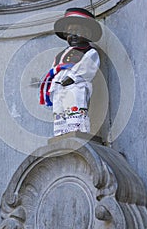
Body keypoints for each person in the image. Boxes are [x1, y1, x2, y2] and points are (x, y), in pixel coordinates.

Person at [40, 7, 102, 136]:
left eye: (77, 31)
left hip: (75, 85)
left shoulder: (89, 52)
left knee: (75, 105)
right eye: (69, 32)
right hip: (59, 87)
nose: (72, 35)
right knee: (60, 108)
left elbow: (87, 68)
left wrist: (72, 78)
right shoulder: (60, 54)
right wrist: (53, 84)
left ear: (88, 34)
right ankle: (61, 132)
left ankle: (77, 130)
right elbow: (55, 70)